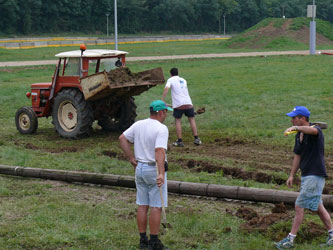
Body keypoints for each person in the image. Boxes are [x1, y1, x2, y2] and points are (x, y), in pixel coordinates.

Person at [274, 106, 333, 249]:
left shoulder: (315, 130)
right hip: (307, 175)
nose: (292, 120)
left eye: (294, 117)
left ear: (303, 119)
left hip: (315, 175)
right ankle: (332, 235)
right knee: (318, 207)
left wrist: (296, 128)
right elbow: (297, 156)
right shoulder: (298, 135)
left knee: (299, 205)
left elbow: (312, 130)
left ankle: (290, 239)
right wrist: (292, 175)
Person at [119, 100, 172, 250]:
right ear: (160, 112)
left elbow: (122, 138)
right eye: (166, 112)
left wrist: (131, 157)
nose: (166, 115)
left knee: (142, 205)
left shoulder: (139, 124)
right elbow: (159, 151)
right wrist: (161, 173)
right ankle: (154, 243)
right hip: (153, 169)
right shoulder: (161, 129)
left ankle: (143, 240)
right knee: (156, 206)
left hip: (140, 169)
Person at [162, 67, 201, 147]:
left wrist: (162, 100)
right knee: (192, 119)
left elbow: (166, 88)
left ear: (171, 74)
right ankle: (196, 138)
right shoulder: (183, 80)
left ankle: (180, 140)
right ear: (177, 73)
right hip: (189, 103)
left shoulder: (170, 80)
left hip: (178, 105)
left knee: (178, 121)